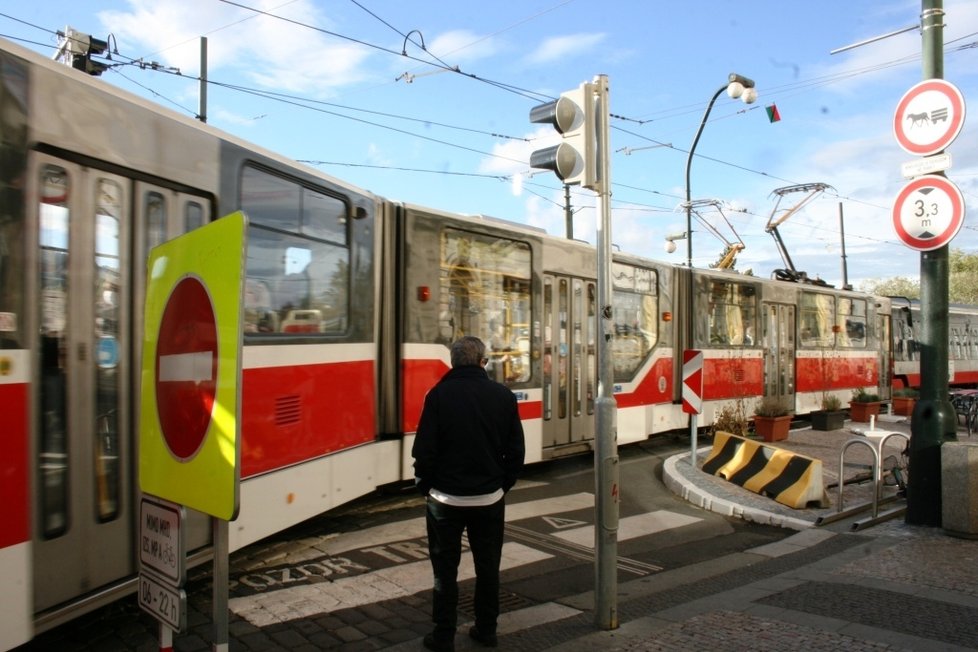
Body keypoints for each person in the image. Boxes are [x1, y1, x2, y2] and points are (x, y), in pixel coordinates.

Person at [412, 336, 526, 652]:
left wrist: (427, 486)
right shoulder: (503, 396)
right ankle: (486, 630)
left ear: (453, 362)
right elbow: (516, 452)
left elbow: (424, 451)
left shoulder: (437, 396)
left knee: (444, 571)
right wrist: (502, 486)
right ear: (482, 362)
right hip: (489, 499)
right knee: (488, 568)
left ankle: (443, 635)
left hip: (445, 501)